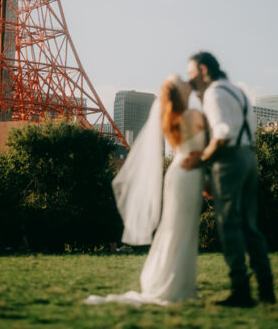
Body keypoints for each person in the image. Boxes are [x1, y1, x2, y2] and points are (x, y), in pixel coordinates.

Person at [84, 75, 206, 306]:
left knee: (175, 228)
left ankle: (174, 282)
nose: (186, 80)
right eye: (181, 81)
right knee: (182, 229)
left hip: (179, 174)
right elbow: (205, 148)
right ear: (178, 93)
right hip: (188, 175)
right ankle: (176, 284)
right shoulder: (192, 115)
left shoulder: (173, 118)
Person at [182, 51, 275, 307]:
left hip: (229, 160)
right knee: (249, 225)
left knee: (228, 224)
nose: (189, 80)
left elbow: (222, 133)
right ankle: (266, 289)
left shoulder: (213, 93)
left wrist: (202, 158)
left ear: (202, 69)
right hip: (248, 158)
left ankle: (240, 290)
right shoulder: (237, 90)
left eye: (191, 73)